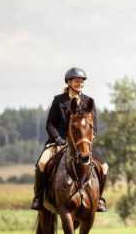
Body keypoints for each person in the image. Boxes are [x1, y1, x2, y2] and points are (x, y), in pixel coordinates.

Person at [31, 67, 108, 211]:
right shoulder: (59, 101)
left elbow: (94, 126)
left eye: (81, 81)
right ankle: (38, 198)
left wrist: (90, 139)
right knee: (41, 164)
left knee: (104, 167)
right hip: (59, 142)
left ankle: (99, 200)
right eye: (76, 81)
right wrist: (58, 139)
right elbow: (50, 124)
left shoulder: (89, 101)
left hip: (83, 144)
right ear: (69, 82)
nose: (79, 83)